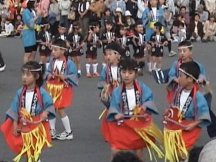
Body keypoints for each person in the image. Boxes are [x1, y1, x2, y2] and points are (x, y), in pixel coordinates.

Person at [107, 58, 163, 159]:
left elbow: (149, 99)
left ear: (136, 74)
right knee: (116, 150)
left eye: (130, 72)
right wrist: (116, 114)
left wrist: (145, 106)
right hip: (123, 124)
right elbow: (113, 106)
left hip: (137, 122)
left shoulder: (142, 87)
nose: (127, 75)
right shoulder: (117, 91)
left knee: (138, 151)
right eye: (124, 72)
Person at [1, 61, 55, 162]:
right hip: (24, 126)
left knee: (34, 151)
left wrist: (46, 112)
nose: (24, 77)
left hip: (36, 127)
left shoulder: (42, 93)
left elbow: (50, 105)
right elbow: (14, 108)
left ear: (37, 76)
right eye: (23, 74)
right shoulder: (20, 92)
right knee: (28, 151)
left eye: (28, 74)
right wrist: (14, 124)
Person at [163, 61, 211, 162]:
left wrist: (193, 124)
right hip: (176, 126)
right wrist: (169, 111)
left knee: (184, 152)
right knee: (174, 151)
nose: (178, 78)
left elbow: (204, 114)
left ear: (189, 79)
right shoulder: (178, 90)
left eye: (180, 76)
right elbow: (174, 105)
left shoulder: (198, 97)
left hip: (189, 129)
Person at [45, 39, 78, 140]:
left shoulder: (69, 63)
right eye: (52, 50)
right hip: (51, 87)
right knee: (51, 108)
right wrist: (49, 75)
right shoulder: (52, 61)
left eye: (55, 50)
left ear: (63, 51)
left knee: (60, 109)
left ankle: (68, 132)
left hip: (62, 88)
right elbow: (47, 72)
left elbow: (74, 76)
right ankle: (52, 130)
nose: (53, 52)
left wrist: (65, 77)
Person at [98, 42, 123, 143]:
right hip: (111, 93)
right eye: (106, 54)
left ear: (118, 55)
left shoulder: (123, 67)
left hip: (121, 92)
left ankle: (121, 132)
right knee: (110, 112)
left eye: (110, 54)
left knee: (122, 112)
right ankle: (109, 134)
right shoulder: (106, 69)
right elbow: (101, 80)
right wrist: (105, 86)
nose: (107, 57)